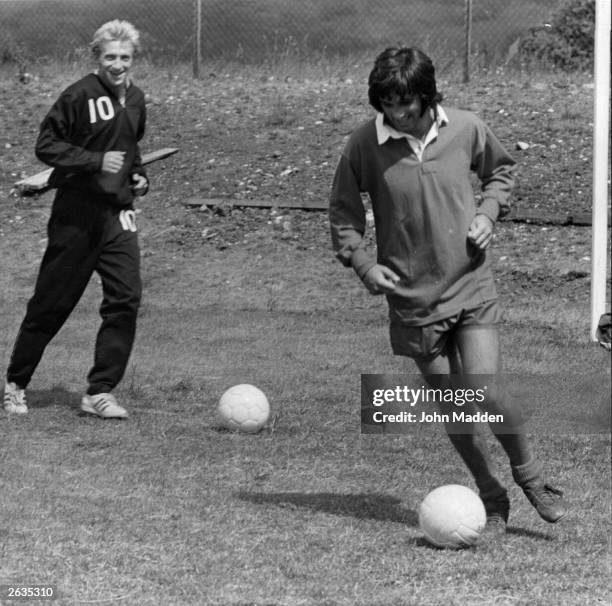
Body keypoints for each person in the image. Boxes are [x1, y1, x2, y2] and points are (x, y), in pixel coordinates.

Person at [329, 47, 567, 536]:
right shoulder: (363, 145)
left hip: (471, 283)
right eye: (387, 103)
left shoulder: (465, 128)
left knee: (485, 390)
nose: (397, 113)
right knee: (456, 406)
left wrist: (487, 213)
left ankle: (530, 477)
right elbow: (343, 212)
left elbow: (501, 171)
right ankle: (490, 493)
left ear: (426, 94)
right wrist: (363, 263)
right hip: (414, 301)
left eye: (407, 103)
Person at [4, 20, 148, 419]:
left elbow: (130, 147)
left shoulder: (135, 98)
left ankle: (99, 392)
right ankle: (16, 382)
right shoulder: (78, 95)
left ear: (133, 58)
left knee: (126, 298)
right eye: (110, 57)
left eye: (124, 57)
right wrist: (94, 161)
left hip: (119, 214)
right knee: (53, 302)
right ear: (96, 58)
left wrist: (139, 176)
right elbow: (46, 145)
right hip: (76, 215)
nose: (117, 65)